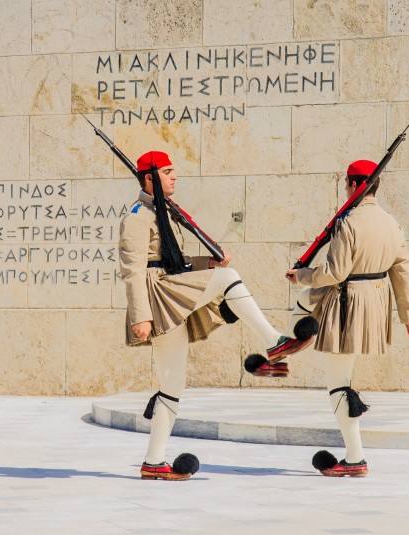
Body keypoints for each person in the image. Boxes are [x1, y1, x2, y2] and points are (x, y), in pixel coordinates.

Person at [119, 150, 316, 481]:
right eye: (167, 172)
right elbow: (134, 270)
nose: (175, 177)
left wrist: (207, 265)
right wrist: (140, 316)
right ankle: (275, 343)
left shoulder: (164, 213)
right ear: (149, 179)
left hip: (170, 285)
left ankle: (154, 462)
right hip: (159, 296)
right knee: (229, 279)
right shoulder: (137, 216)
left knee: (172, 384)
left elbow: (174, 260)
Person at [281, 159, 409, 477]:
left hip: (348, 303)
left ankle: (356, 459)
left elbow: (335, 272)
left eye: (345, 184)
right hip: (375, 305)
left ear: (352, 185)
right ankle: (289, 340)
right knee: (338, 371)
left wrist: (302, 275)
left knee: (337, 384)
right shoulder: (391, 223)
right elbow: (403, 274)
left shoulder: (348, 222)